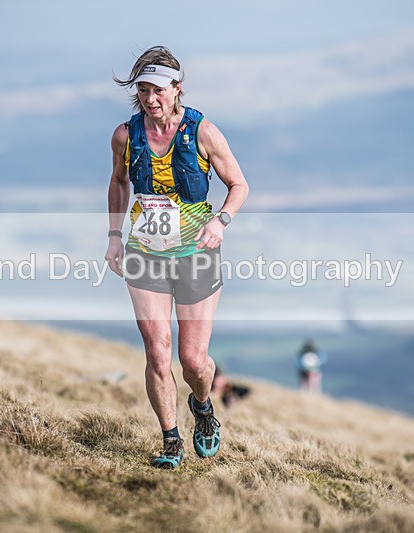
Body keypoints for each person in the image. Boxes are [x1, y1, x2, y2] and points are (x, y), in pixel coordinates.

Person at [105, 46, 249, 469]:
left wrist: (220, 221)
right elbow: (117, 183)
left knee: (192, 360)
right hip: (145, 251)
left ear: (177, 89)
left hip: (195, 253)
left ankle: (203, 408)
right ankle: (171, 440)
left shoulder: (203, 132)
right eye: (143, 90)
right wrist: (115, 236)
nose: (151, 98)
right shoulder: (124, 135)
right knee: (156, 349)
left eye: (158, 90)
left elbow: (238, 185)